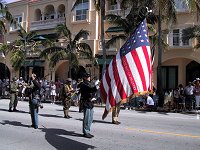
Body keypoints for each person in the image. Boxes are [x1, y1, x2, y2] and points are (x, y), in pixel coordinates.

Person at [80, 73, 98, 138]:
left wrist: (94, 97)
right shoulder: (83, 84)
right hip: (86, 103)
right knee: (87, 118)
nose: (89, 77)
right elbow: (90, 89)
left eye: (89, 76)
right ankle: (85, 132)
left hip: (91, 103)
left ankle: (88, 130)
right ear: (84, 77)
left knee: (90, 118)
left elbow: (92, 92)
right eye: (87, 77)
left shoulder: (89, 84)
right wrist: (96, 86)